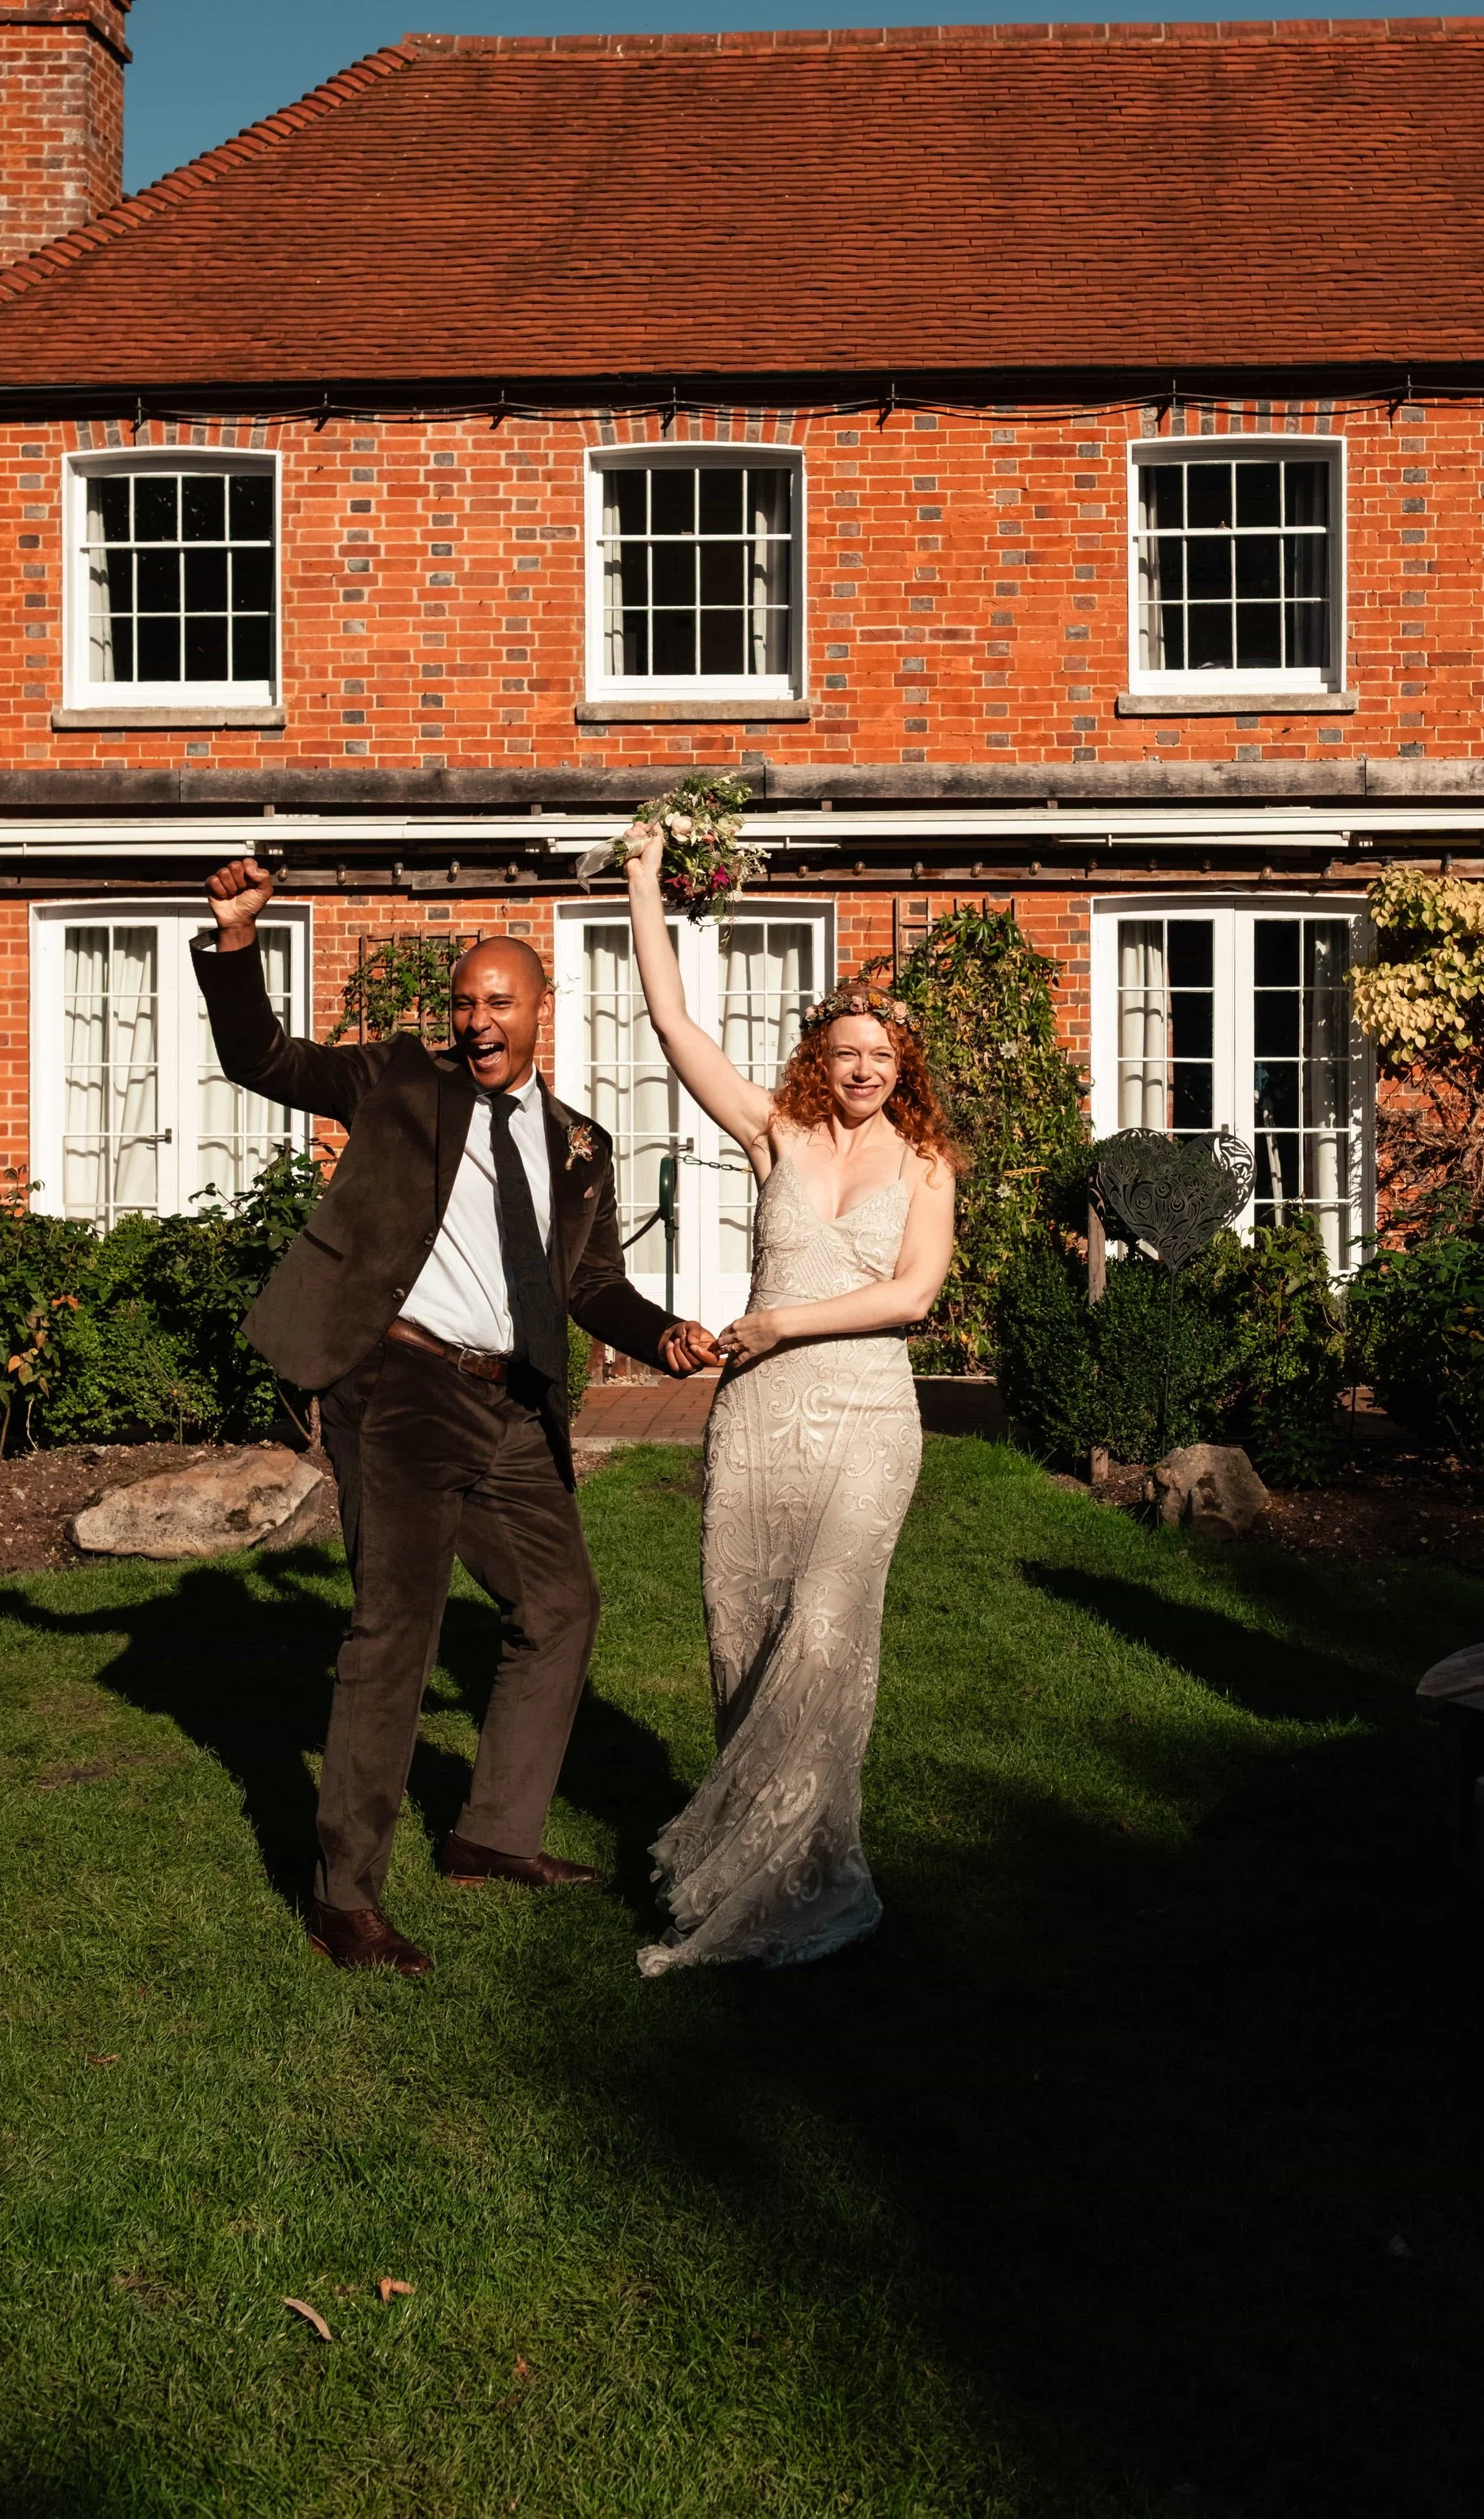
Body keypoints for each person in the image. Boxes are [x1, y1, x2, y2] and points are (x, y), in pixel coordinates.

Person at [195, 859, 719, 1976]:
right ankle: (347, 1896)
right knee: (397, 1629)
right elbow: (265, 1058)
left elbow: (589, 1287)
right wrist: (237, 942)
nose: (477, 1019)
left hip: (515, 1404)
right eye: (465, 1000)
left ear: (542, 1010)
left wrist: (663, 1332)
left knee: (562, 1600)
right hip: (403, 1387)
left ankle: (491, 1834)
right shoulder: (399, 1079)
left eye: (498, 1001)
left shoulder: (579, 1142)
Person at [623, 827, 959, 1974]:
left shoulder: (926, 1166)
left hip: (866, 1419)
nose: (865, 1067)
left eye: (883, 1053)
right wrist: (638, 877)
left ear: (905, 1065)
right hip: (759, 1427)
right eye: (848, 1049)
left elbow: (913, 1296)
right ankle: (775, 1862)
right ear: (821, 1054)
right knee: (746, 1638)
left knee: (822, 1631)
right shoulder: (773, 1134)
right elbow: (673, 1027)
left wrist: (777, 1323)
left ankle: (813, 1878)